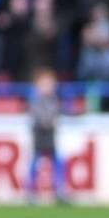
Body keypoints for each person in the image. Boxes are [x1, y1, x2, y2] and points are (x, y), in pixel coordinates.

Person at [25, 66, 69, 204]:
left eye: (50, 83)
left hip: (50, 133)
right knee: (35, 162)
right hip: (39, 133)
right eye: (45, 83)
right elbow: (38, 115)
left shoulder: (54, 99)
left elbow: (56, 113)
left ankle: (59, 190)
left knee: (57, 161)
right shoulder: (35, 100)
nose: (48, 87)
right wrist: (48, 121)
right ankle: (31, 191)